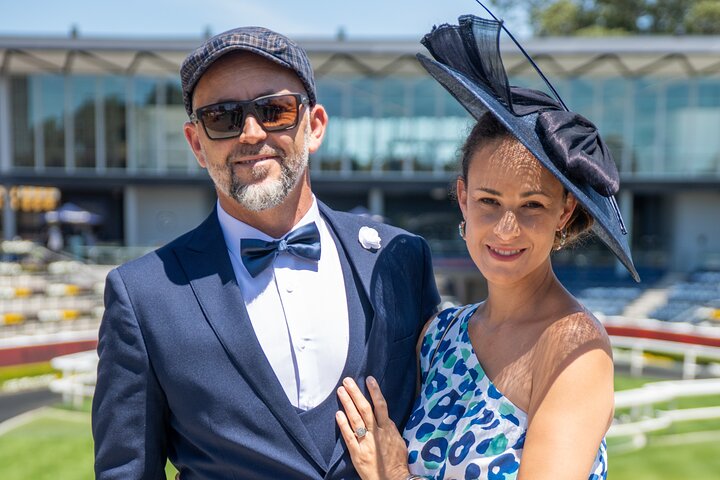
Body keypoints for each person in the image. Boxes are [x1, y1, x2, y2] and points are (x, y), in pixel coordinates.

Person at [91, 26, 440, 479]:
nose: (251, 134)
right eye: (223, 117)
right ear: (197, 143)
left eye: (275, 110)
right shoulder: (142, 296)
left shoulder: (401, 258)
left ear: (313, 126)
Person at [335, 13, 639, 480]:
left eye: (532, 204)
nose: (505, 228)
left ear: (564, 213)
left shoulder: (576, 349)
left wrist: (393, 475)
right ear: (462, 200)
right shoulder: (437, 338)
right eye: (488, 201)